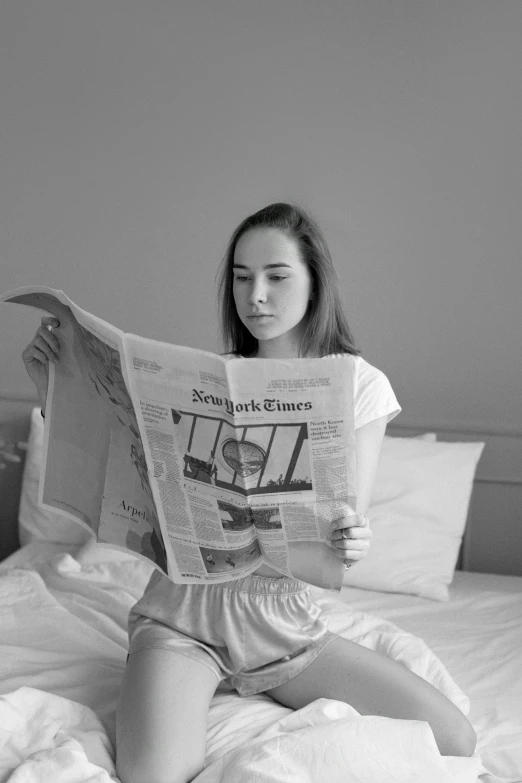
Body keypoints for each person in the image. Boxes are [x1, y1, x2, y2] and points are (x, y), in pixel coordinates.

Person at [22, 202, 476, 783]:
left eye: (276, 276)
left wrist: (352, 539)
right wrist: (51, 388)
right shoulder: (210, 376)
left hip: (282, 621)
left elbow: (344, 523)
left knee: (456, 738)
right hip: (182, 613)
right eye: (241, 277)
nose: (254, 294)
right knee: (154, 778)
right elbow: (113, 462)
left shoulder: (359, 385)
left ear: (316, 281)